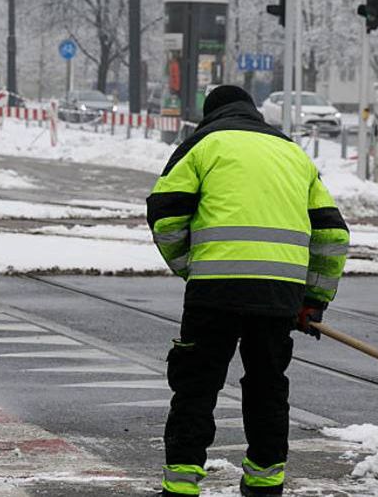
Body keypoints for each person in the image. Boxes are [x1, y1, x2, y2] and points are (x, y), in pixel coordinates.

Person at [147, 85, 349, 497]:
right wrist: (313, 300)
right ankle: (264, 482)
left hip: (214, 292)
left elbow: (165, 216)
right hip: (280, 294)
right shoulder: (293, 153)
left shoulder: (203, 144)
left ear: (210, 114)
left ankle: (182, 485)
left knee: (196, 387)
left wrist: (191, 267)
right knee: (267, 386)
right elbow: (332, 235)